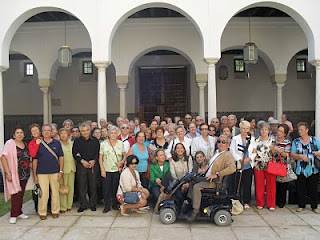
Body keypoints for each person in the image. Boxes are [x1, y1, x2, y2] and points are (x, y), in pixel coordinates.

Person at [187, 135, 236, 222]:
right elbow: (211, 166)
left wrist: (217, 174)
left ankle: (195, 211)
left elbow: (232, 168)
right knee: (191, 181)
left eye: (223, 142)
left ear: (228, 145)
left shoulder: (227, 155)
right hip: (207, 177)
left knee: (196, 187)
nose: (220, 143)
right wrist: (204, 169)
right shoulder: (217, 152)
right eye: (219, 141)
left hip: (215, 182)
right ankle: (192, 203)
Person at [33, 124, 64, 220]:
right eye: (44, 130)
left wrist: (61, 171)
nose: (46, 132)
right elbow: (35, 160)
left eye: (48, 130)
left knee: (55, 192)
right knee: (43, 193)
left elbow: (61, 158)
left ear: (52, 132)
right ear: (42, 132)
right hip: (41, 172)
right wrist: (35, 175)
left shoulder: (57, 143)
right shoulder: (38, 143)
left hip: (54, 171)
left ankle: (55, 210)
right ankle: (42, 212)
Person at [0, 126, 31, 224]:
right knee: (15, 194)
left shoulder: (25, 144)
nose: (19, 134)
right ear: (14, 135)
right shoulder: (10, 143)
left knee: (21, 194)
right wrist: (7, 172)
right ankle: (13, 214)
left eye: (21, 132)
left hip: (25, 173)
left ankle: (19, 211)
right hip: (14, 173)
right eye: (17, 132)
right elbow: (3, 157)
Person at [290, 122, 320, 213]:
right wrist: (300, 156)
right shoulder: (296, 142)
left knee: (313, 188)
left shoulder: (314, 140)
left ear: (307, 130)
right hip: (300, 168)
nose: (300, 131)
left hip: (313, 168)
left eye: (302, 130)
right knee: (301, 188)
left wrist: (317, 153)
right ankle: (301, 205)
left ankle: (314, 206)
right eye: (299, 130)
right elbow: (292, 154)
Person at [72, 122, 100, 213]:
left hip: (93, 165)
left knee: (93, 185)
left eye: (87, 130)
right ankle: (83, 204)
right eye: (83, 131)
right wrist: (82, 160)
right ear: (80, 131)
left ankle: (92, 204)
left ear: (90, 130)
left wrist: (94, 160)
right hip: (82, 166)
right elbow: (75, 152)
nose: (85, 132)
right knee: (82, 186)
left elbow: (97, 152)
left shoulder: (95, 140)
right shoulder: (77, 141)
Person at [230, 120, 256, 210]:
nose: (245, 130)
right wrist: (240, 159)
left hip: (248, 164)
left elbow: (254, 151)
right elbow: (232, 151)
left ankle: (246, 201)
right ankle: (237, 200)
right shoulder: (235, 139)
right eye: (243, 128)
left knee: (247, 183)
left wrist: (249, 159)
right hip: (239, 164)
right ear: (240, 129)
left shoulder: (252, 139)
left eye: (247, 129)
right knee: (238, 183)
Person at [99, 126, 126, 213]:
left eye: (115, 133)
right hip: (106, 169)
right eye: (111, 133)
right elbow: (100, 158)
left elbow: (125, 155)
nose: (113, 135)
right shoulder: (103, 144)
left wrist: (122, 162)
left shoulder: (120, 143)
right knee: (106, 188)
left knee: (115, 187)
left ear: (117, 134)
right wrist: (102, 169)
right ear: (108, 134)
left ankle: (115, 204)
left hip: (117, 170)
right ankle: (107, 206)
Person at [254, 122, 276, 211]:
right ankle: (260, 203)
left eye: (266, 129)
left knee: (271, 185)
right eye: (262, 129)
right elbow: (253, 152)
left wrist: (273, 149)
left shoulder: (272, 141)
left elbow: (275, 154)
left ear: (268, 131)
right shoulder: (256, 141)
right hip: (258, 165)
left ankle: (271, 204)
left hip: (270, 164)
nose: (264, 131)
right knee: (259, 185)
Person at [59, 128, 76, 213]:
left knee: (70, 188)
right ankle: (63, 206)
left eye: (65, 133)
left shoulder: (72, 143)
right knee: (62, 188)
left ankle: (69, 205)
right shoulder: (58, 144)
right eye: (61, 133)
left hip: (71, 168)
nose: (63, 135)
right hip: (62, 169)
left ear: (69, 135)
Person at [274, 124, 291, 208]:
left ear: (285, 133)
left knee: (282, 185)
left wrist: (278, 150)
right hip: (273, 165)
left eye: (281, 131)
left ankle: (281, 202)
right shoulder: (273, 140)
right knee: (274, 184)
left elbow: (286, 155)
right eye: (278, 130)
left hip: (282, 166)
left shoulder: (287, 143)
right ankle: (274, 201)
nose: (279, 133)